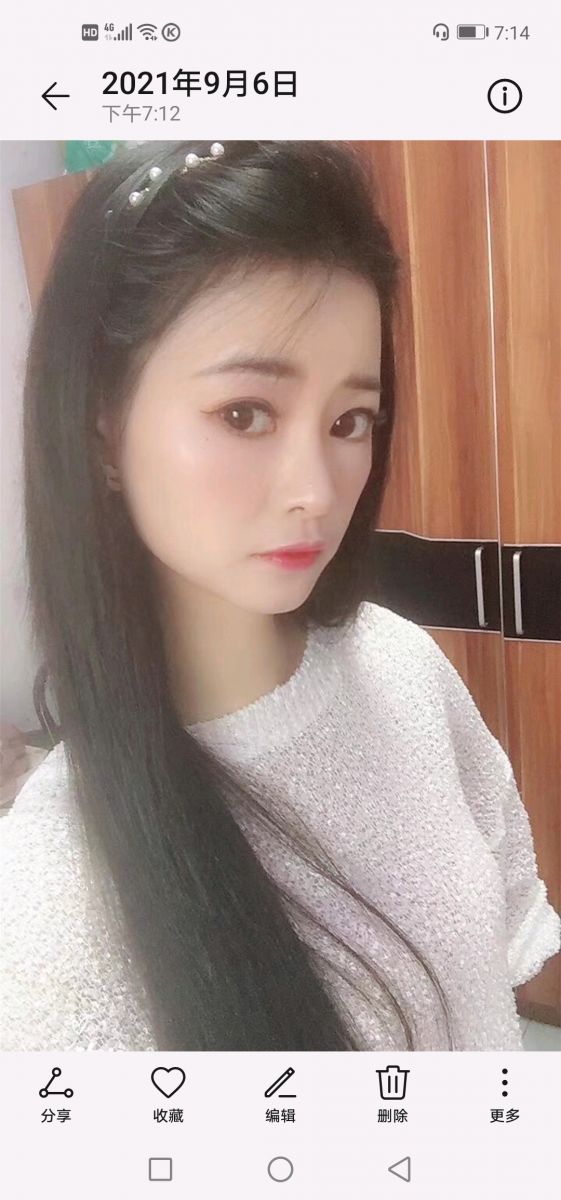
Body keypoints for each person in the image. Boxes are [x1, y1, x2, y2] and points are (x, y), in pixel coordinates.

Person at [1, 140, 559, 1052]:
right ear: (102, 428)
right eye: (245, 413)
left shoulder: (398, 659)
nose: (315, 488)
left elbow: (502, 948)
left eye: (349, 420)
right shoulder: (49, 909)